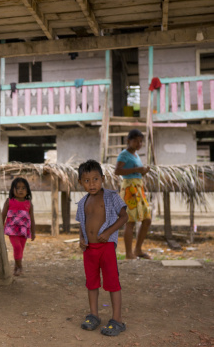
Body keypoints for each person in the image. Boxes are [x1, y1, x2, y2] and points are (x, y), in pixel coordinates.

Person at [76, 160, 128, 336]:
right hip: (89, 250)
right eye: (87, 180)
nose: (92, 184)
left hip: (105, 247)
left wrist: (108, 232)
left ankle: (117, 320)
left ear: (103, 179)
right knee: (91, 283)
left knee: (112, 283)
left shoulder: (111, 196)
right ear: (80, 183)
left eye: (95, 179)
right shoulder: (83, 202)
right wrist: (81, 239)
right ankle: (94, 315)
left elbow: (124, 217)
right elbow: (81, 224)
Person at [114, 129, 152, 260]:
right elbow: (117, 171)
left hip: (138, 189)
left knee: (147, 219)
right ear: (128, 141)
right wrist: (137, 169)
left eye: (141, 141)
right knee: (130, 222)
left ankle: (138, 250)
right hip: (129, 189)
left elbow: (135, 172)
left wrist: (143, 171)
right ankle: (129, 254)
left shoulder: (136, 155)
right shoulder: (124, 154)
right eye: (136, 140)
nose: (139, 143)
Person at [1, 177, 36, 276]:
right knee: (17, 247)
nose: (21, 190)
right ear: (12, 189)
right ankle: (20, 267)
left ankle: (16, 268)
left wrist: (33, 232)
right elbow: (2, 215)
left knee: (20, 249)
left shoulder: (29, 204)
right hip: (12, 230)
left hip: (24, 231)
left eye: (23, 188)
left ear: (27, 191)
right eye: (18, 188)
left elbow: (32, 219)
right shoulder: (9, 201)